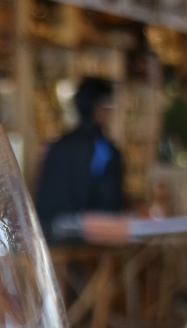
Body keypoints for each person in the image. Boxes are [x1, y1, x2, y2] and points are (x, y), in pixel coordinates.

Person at [35, 77, 123, 242]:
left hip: (50, 238)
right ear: (99, 106)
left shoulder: (57, 145)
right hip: (88, 240)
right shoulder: (103, 148)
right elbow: (109, 202)